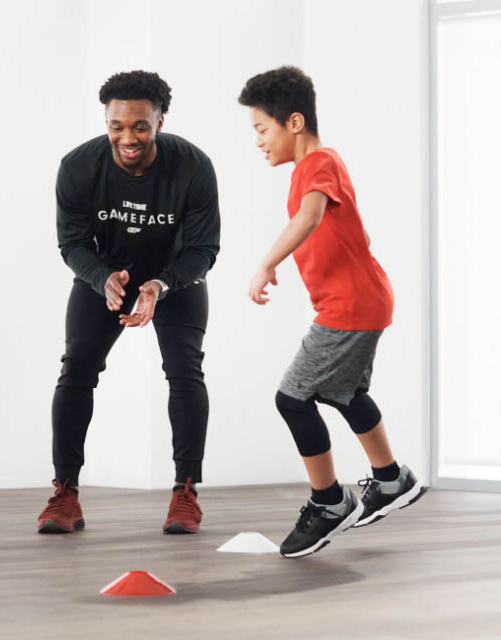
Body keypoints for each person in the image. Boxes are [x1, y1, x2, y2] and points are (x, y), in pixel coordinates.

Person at [237, 66, 424, 558]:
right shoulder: (319, 168)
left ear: (293, 122)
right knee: (343, 392)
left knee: (292, 398)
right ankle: (390, 480)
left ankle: (330, 502)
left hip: (349, 308)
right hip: (365, 300)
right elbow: (355, 234)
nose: (258, 141)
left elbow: (311, 216)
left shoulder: (317, 163)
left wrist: (267, 263)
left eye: (262, 129)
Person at [38, 70, 221, 535]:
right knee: (76, 367)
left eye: (140, 125)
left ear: (160, 120)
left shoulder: (193, 166)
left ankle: (185, 491)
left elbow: (204, 249)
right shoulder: (78, 167)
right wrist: (101, 278)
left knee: (184, 371)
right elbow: (72, 243)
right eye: (116, 125)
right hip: (105, 276)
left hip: (175, 278)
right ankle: (65, 492)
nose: (128, 137)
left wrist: (160, 285)